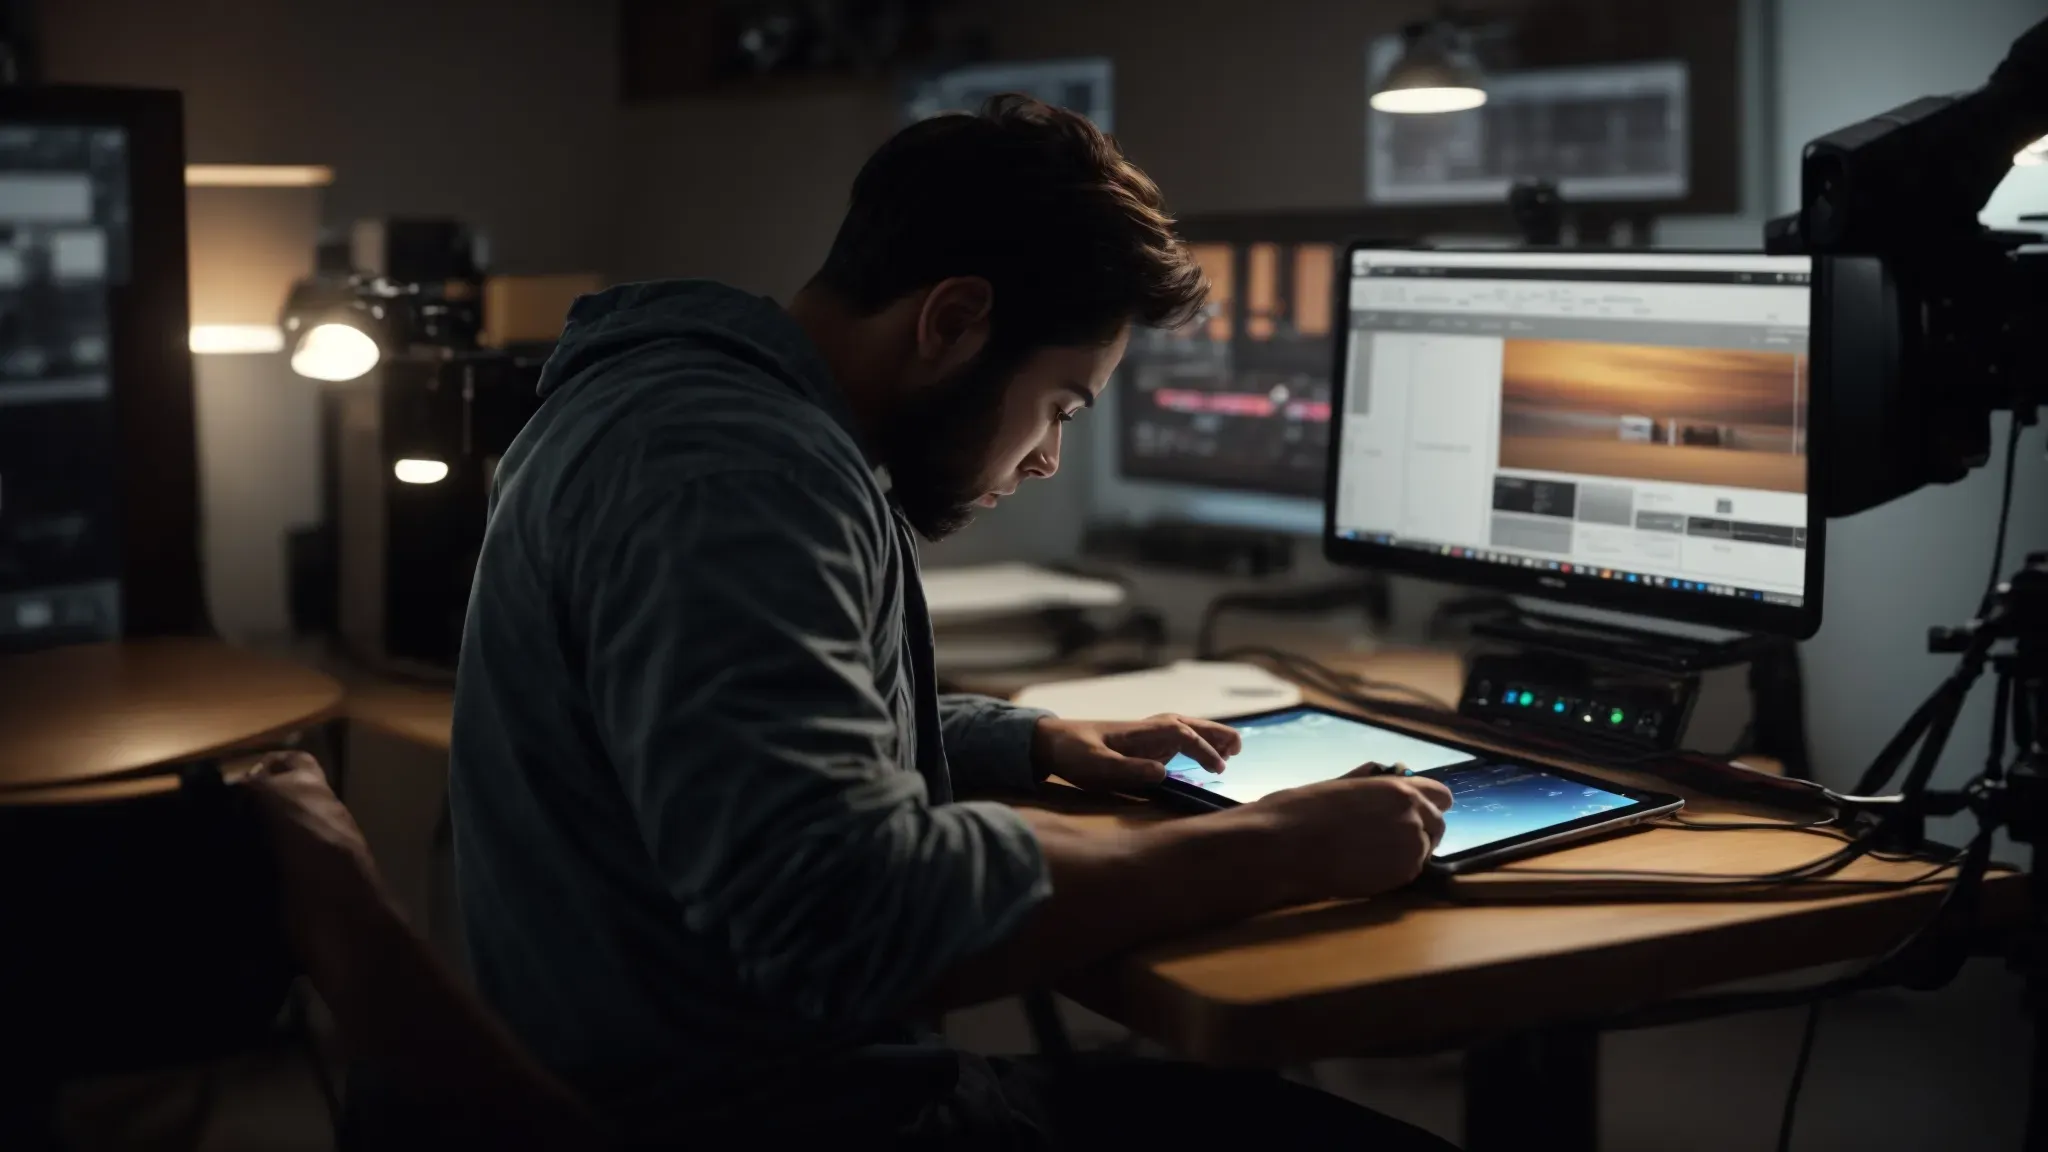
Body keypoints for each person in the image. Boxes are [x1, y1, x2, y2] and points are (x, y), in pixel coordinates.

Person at [447, 94, 1457, 1148]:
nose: (1045, 458)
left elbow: (755, 731)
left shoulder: (680, 409)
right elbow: (845, 913)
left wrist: (1025, 741)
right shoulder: (737, 475)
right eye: (1060, 405)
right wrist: (1269, 849)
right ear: (951, 320)